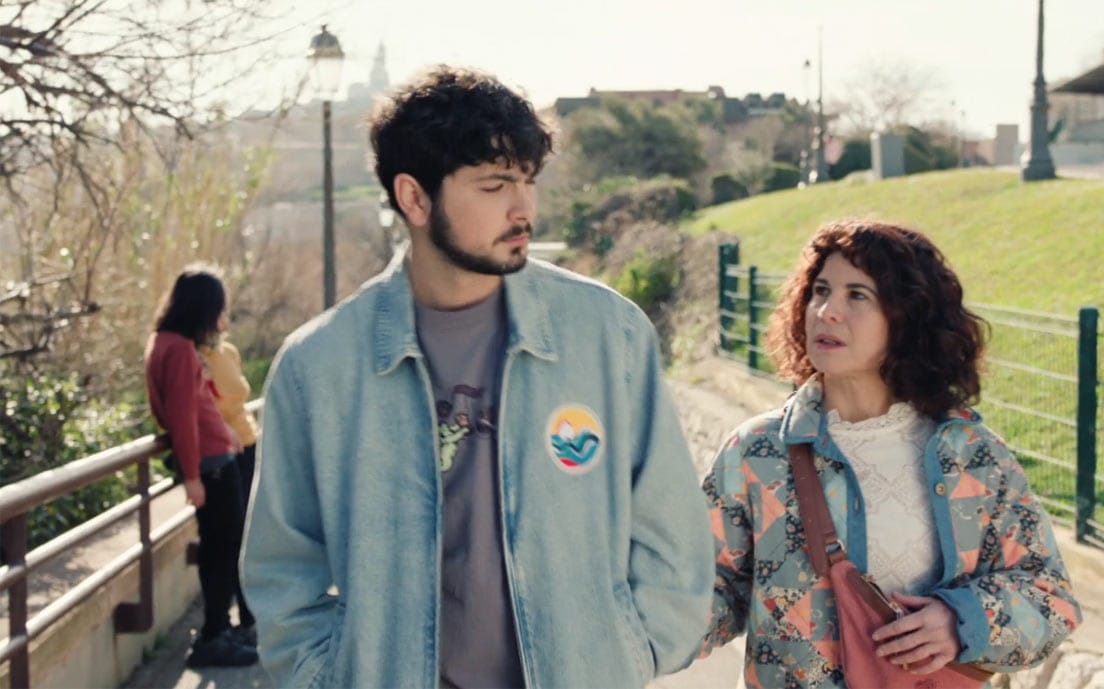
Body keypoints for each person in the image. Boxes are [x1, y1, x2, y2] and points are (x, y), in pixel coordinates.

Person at [241, 66, 713, 689]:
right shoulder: (318, 367)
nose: (524, 208)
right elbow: (282, 567)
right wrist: (322, 676)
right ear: (414, 199)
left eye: (528, 181)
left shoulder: (608, 335)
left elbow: (673, 531)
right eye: (495, 185)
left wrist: (633, 653)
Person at [699, 221, 1081, 688]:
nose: (827, 312)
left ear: (906, 319)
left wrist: (959, 622)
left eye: (857, 295)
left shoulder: (971, 458)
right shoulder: (758, 453)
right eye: (821, 291)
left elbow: (1050, 597)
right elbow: (707, 591)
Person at [145, 266, 258, 668]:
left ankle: (220, 631)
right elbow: (182, 417)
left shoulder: (165, 342)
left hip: (214, 457)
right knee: (224, 548)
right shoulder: (177, 349)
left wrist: (221, 434)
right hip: (212, 465)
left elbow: (192, 407)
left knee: (221, 546)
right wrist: (192, 476)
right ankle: (214, 636)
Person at [200, 321, 259, 646]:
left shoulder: (228, 352)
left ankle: (251, 616)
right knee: (232, 537)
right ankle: (230, 622)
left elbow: (238, 399)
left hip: (249, 445)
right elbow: (205, 407)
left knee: (252, 532)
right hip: (224, 453)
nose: (223, 318)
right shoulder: (196, 357)